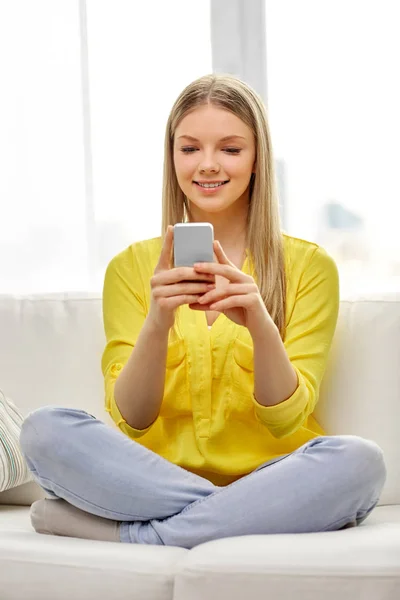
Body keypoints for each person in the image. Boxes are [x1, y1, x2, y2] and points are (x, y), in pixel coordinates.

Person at [19, 74, 386, 548]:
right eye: (190, 149)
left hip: (276, 473)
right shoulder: (130, 267)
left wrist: (258, 320)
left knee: (359, 462)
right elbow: (133, 419)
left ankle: (140, 534)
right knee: (46, 430)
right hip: (152, 479)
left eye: (231, 150)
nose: (208, 165)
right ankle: (233, 517)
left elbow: (285, 420)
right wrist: (157, 321)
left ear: (258, 160)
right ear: (172, 158)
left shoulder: (310, 266)